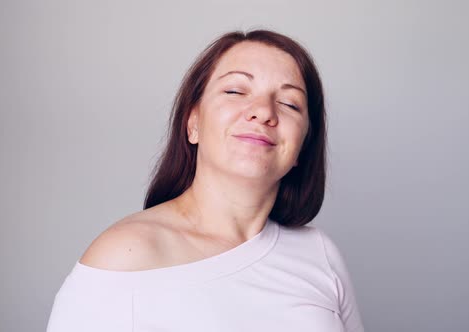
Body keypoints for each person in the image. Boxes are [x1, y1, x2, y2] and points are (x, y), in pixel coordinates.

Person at [46, 29, 365, 332]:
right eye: (236, 91)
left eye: (289, 103)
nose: (263, 112)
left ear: (301, 147)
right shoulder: (124, 255)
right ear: (193, 123)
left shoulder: (319, 253)